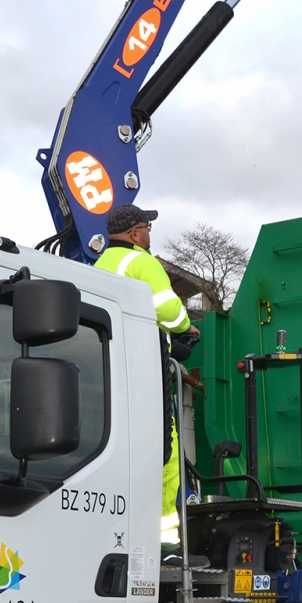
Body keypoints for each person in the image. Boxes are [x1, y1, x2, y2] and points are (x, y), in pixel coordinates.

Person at [94, 203, 199, 543]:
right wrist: (187, 327)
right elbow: (169, 310)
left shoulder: (99, 264)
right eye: (147, 228)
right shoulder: (141, 261)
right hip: (145, 373)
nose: (150, 234)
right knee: (164, 457)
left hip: (108, 374)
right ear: (135, 234)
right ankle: (165, 543)